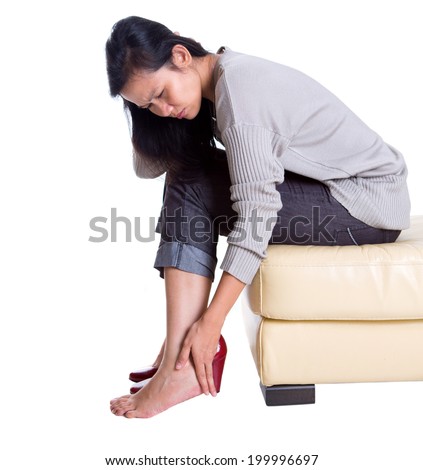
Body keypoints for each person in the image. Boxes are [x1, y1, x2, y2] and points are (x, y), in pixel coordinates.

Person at [106, 16, 410, 418]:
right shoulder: (213, 85)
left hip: (366, 204)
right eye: (149, 105)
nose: (163, 109)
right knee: (187, 172)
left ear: (181, 56)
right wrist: (143, 117)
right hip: (336, 190)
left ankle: (181, 361)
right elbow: (148, 168)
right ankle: (179, 354)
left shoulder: (241, 91)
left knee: (193, 183)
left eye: (161, 93)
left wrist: (211, 323)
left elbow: (257, 217)